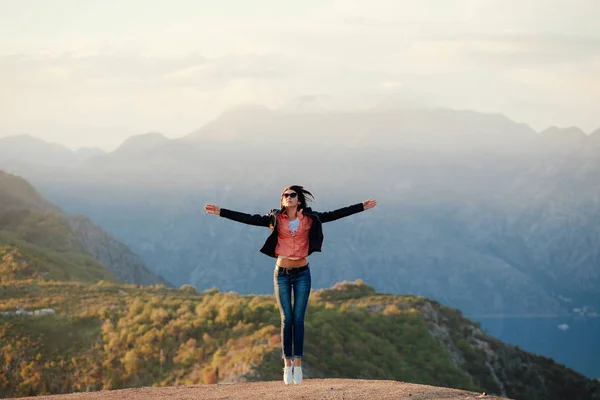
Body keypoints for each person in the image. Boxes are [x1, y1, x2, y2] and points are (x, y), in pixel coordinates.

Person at [204, 185, 377, 385]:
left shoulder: (311, 219)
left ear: (298, 200)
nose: (287, 197)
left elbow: (335, 214)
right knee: (287, 319)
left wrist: (361, 207)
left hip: (303, 273)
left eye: (291, 195)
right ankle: (287, 364)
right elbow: (249, 219)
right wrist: (220, 212)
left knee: (299, 320)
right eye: (284, 195)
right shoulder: (275, 219)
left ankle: (298, 364)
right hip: (282, 274)